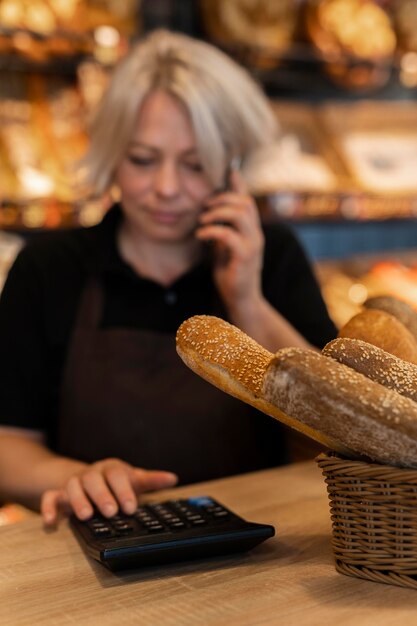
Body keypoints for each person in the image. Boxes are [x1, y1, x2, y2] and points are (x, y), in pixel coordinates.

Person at [0, 30, 337, 526]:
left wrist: (247, 301)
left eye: (195, 164)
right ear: (111, 154)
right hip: (101, 554)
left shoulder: (275, 256)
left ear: (232, 168)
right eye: (142, 160)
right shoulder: (51, 268)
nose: (166, 189)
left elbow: (334, 429)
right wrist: (73, 477)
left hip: (260, 552)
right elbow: (9, 444)